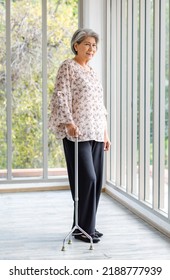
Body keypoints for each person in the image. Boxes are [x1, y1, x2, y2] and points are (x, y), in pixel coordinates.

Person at [49, 28, 111, 243]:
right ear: (76, 45)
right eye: (87, 44)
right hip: (77, 133)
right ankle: (84, 228)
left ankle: (85, 226)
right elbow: (61, 95)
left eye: (94, 45)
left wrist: (105, 133)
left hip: (96, 132)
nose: (91, 49)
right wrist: (68, 122)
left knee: (97, 181)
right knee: (87, 179)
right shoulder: (68, 66)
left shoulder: (92, 72)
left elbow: (99, 106)